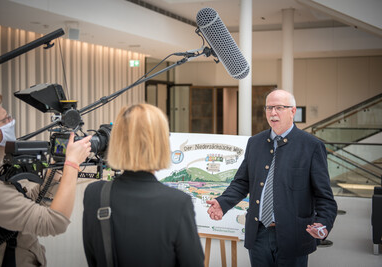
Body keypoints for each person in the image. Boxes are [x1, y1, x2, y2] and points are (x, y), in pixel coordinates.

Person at [207, 89, 337, 267]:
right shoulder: (255, 142)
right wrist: (223, 202)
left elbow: (324, 197)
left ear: (292, 111)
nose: (273, 113)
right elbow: (242, 182)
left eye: (279, 108)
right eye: (269, 108)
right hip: (258, 233)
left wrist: (323, 223)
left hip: (294, 236)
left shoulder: (312, 146)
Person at [82, 103, 204, 267]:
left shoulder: (94, 194)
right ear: (160, 143)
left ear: (117, 141)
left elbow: (93, 259)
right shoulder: (178, 203)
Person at [0, 88, 92, 266]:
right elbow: (55, 223)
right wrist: (72, 164)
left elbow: (24, 207)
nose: (11, 122)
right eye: (5, 120)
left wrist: (54, 177)